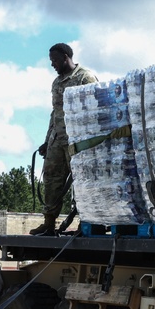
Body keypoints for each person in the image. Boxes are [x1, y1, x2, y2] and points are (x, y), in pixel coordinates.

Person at [30, 42, 98, 235]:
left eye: (55, 60)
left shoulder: (85, 77)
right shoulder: (56, 82)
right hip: (57, 140)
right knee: (51, 179)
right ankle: (49, 223)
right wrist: (47, 140)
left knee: (81, 181)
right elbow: (55, 113)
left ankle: (86, 222)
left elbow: (95, 110)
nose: (52, 64)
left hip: (78, 141)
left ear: (66, 57)